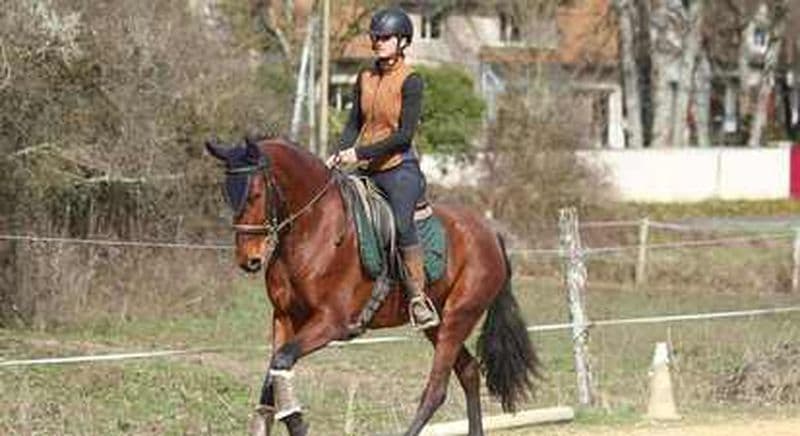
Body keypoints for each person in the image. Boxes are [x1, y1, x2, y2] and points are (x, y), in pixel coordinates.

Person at [326, 6, 439, 330]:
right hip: (366, 166)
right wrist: (337, 154)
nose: (378, 42)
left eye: (385, 37)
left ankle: (418, 298)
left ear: (402, 41)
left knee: (401, 224)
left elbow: (404, 136)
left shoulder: (411, 80)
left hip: (399, 168)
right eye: (375, 37)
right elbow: (354, 123)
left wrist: (358, 152)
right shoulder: (365, 76)